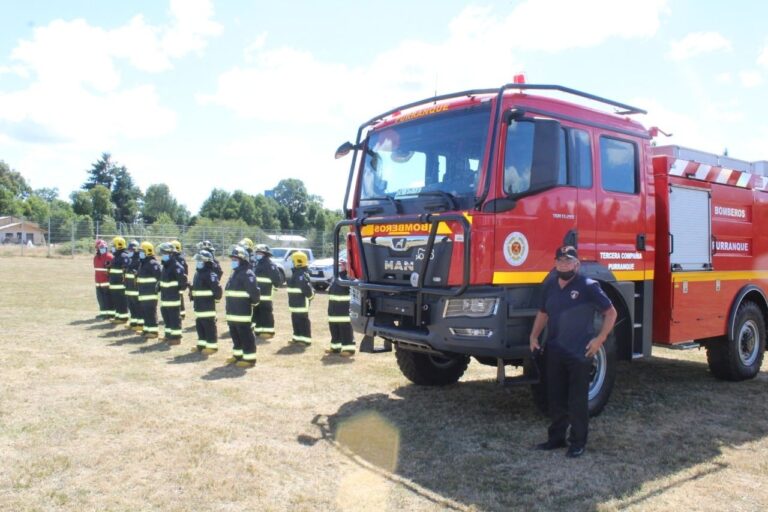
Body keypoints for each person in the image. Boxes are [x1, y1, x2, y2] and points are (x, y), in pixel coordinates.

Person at [529, 245, 617, 458]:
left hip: (580, 353)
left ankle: (577, 442)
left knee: (577, 400)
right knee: (555, 397)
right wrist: (533, 336)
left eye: (568, 261)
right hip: (555, 350)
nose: (564, 265)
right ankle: (556, 438)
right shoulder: (550, 285)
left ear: (577, 264)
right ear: (555, 263)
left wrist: (600, 339)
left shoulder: (588, 286)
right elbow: (543, 313)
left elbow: (611, 312)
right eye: (560, 261)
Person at [224, 245, 261, 367]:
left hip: (242, 312)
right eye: (232, 259)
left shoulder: (247, 273)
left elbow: (254, 292)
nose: (233, 262)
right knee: (235, 334)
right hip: (232, 311)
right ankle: (238, 355)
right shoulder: (235, 273)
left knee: (245, 335)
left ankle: (249, 359)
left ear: (243, 260)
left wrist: (254, 303)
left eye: (236, 259)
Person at [190, 249, 223, 354]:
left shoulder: (210, 274)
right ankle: (202, 344)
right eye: (198, 260)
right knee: (200, 325)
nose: (198, 262)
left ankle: (212, 347)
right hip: (199, 306)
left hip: (207, 307)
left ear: (206, 262)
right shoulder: (198, 273)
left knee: (209, 326)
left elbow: (217, 290)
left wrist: (216, 299)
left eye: (200, 260)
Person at [158, 242, 187, 345]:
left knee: (174, 318)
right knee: (167, 317)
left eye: (165, 253)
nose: (163, 255)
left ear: (171, 254)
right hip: (165, 297)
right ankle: (168, 335)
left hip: (173, 298)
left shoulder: (176, 266)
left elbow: (183, 282)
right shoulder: (165, 265)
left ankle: (175, 338)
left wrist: (177, 292)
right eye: (162, 253)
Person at [251, 244, 281, 339]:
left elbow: (277, 281)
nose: (257, 255)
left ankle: (268, 332)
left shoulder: (270, 265)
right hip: (256, 296)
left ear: (265, 254)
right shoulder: (257, 264)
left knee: (266, 313)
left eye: (259, 253)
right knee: (257, 313)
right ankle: (259, 331)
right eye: (257, 253)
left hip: (266, 296)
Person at [326, 257, 355, 356]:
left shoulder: (349, 278)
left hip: (343, 311)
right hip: (333, 310)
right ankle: (335, 347)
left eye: (343, 264)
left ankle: (348, 349)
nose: (340, 266)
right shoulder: (336, 277)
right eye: (340, 265)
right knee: (334, 329)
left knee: (345, 329)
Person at [287, 251, 314, 345]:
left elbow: (306, 289)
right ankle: (297, 337)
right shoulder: (296, 273)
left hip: (301, 303)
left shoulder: (301, 274)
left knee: (302, 321)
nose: (291, 263)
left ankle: (305, 340)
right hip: (294, 303)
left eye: (293, 261)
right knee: (295, 320)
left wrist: (310, 296)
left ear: (298, 261)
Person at [137, 242, 162, 339]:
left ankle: (153, 331)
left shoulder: (152, 263)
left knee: (150, 312)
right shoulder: (143, 263)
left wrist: (157, 288)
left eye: (142, 251)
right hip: (143, 293)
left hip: (150, 294)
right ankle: (146, 329)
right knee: (145, 312)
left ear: (148, 251)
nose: (140, 253)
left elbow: (159, 276)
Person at [108, 236, 131, 324]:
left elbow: (125, 269)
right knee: (116, 301)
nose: (112, 247)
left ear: (119, 245)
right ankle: (118, 316)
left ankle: (123, 318)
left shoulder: (124, 256)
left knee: (121, 301)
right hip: (114, 284)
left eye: (114, 245)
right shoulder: (116, 256)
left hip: (120, 284)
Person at [124, 240, 142, 331]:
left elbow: (140, 272)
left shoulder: (139, 260)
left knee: (137, 306)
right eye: (129, 250)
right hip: (129, 287)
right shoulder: (130, 259)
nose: (130, 251)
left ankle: (140, 324)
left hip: (135, 287)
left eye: (131, 250)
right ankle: (133, 322)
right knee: (131, 306)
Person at [93, 239, 113, 320]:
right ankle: (103, 313)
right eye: (100, 248)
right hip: (98, 282)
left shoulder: (110, 257)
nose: (102, 249)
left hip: (107, 282)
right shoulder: (96, 258)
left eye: (104, 248)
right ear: (97, 249)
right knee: (100, 299)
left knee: (108, 299)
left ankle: (110, 314)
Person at [171, 240, 189, 320]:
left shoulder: (178, 259)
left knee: (178, 298)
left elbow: (184, 270)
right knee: (179, 297)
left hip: (177, 282)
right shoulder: (179, 258)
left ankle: (180, 313)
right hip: (178, 282)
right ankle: (181, 313)